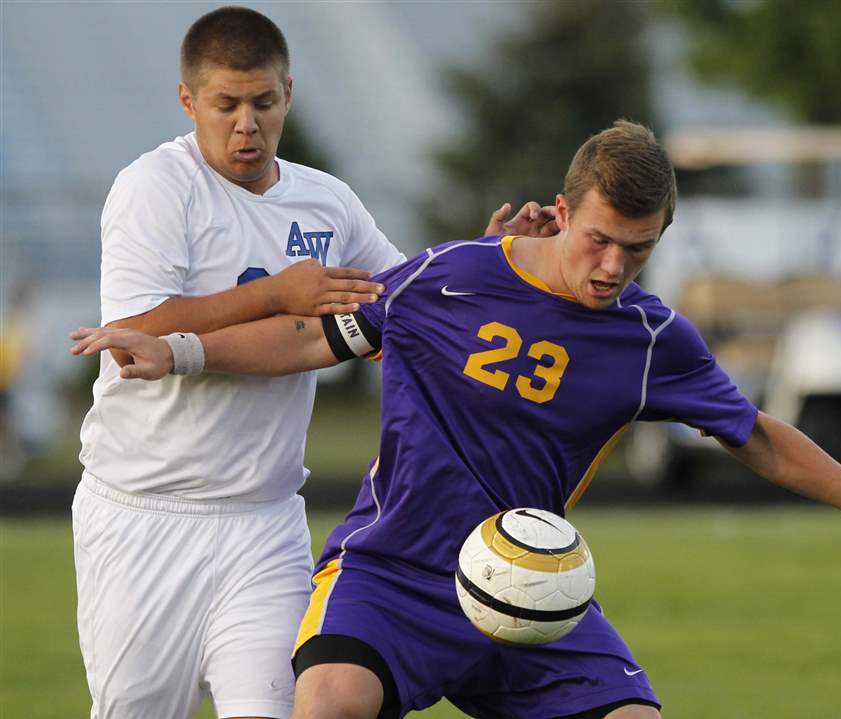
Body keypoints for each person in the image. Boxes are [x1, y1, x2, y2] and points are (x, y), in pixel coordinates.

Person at [73, 121, 841, 719]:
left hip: (531, 583)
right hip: (391, 571)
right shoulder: (447, 276)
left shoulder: (652, 338)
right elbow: (312, 339)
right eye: (599, 238)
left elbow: (758, 436)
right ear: (567, 207)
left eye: (640, 247)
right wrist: (183, 349)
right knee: (326, 703)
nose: (614, 264)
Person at [73, 6, 553, 719]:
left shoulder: (327, 202)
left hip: (264, 522)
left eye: (264, 102)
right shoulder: (154, 188)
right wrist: (280, 292)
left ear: (288, 94)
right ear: (187, 100)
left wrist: (485, 260)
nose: (247, 123)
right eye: (226, 104)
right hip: (143, 515)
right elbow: (130, 332)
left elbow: (410, 310)